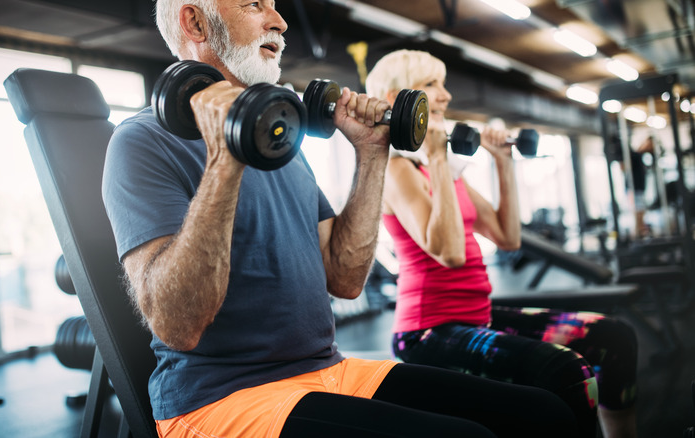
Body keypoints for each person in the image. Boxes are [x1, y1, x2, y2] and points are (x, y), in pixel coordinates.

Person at [102, 2, 581, 437]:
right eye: (254, 5)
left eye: (275, 5)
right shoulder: (140, 142)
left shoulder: (281, 143)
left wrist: (372, 152)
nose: (280, 21)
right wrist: (224, 158)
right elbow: (177, 325)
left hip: (327, 372)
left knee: (543, 414)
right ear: (196, 23)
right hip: (218, 401)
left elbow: (346, 279)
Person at [366, 49, 639, 438]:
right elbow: (449, 251)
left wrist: (502, 161)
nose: (445, 96)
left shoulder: (443, 170)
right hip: (428, 333)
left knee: (614, 337)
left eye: (443, 85)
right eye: (431, 86)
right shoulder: (397, 169)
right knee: (567, 371)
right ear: (397, 99)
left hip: (478, 316)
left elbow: (507, 237)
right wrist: (439, 159)